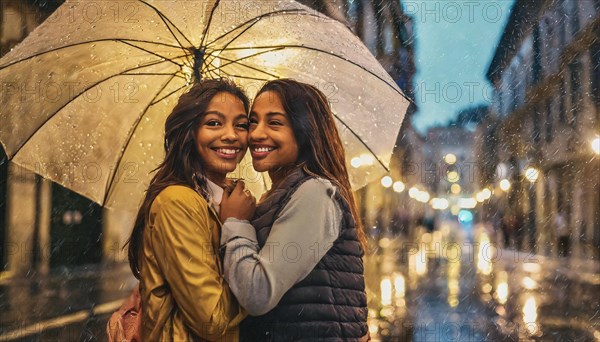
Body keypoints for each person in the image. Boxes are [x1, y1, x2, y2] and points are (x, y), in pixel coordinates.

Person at [219, 79, 368, 340]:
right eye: (252, 121)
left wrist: (235, 222)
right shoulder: (282, 194)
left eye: (274, 122)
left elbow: (257, 293)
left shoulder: (314, 193)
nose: (255, 134)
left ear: (305, 130)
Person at [125, 79, 254, 341]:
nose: (231, 135)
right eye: (213, 123)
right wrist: (236, 227)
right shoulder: (177, 202)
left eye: (241, 125)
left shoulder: (226, 199)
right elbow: (212, 321)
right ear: (190, 132)